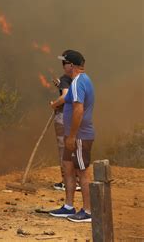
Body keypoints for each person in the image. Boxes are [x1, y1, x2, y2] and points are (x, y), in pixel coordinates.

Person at [49, 50, 95, 223]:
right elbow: (66, 99)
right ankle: (69, 206)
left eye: (64, 63)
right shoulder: (78, 82)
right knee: (68, 168)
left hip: (80, 136)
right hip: (73, 135)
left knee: (82, 172)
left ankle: (88, 211)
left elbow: (78, 109)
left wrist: (72, 136)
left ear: (72, 66)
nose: (63, 66)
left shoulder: (78, 83)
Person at [49, 50, 73, 191]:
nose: (63, 66)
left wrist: (54, 104)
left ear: (69, 65)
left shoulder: (65, 78)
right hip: (76, 117)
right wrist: (60, 85)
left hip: (63, 117)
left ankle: (66, 181)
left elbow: (65, 97)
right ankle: (75, 180)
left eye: (64, 63)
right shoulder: (79, 79)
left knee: (64, 149)